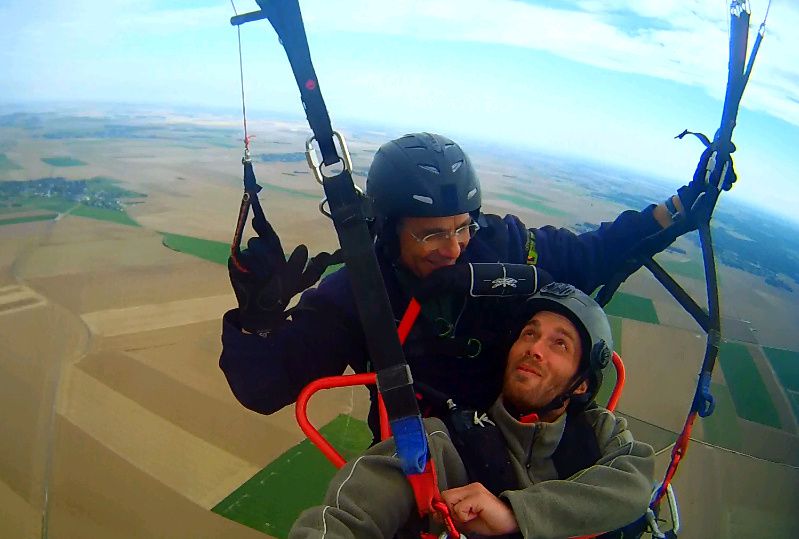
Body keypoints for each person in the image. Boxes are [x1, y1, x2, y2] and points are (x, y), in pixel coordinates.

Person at [220, 132, 732, 434]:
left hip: (522, 435)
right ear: (387, 229)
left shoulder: (505, 245)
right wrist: (259, 322)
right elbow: (265, 386)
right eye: (431, 235)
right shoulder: (360, 292)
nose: (454, 248)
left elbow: (594, 252)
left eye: (462, 227)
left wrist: (682, 206)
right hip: (421, 468)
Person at [288, 283, 655, 539]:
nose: (535, 348)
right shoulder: (449, 444)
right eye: (529, 333)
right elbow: (348, 517)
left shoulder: (597, 432)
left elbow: (637, 482)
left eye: (560, 344)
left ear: (582, 384)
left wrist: (515, 513)